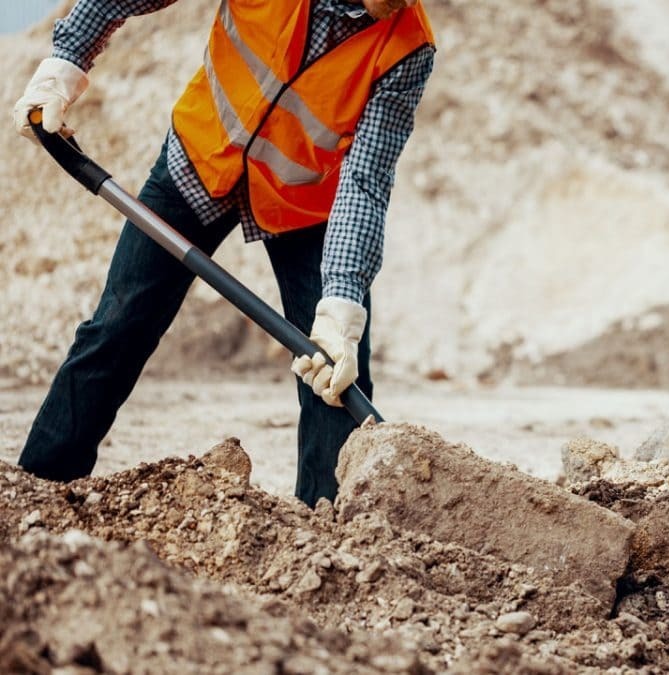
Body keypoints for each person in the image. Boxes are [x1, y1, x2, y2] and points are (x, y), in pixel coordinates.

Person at [11, 0, 435, 506]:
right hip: (198, 162)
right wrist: (65, 63)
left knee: (333, 373)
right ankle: (38, 494)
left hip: (300, 203)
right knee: (119, 325)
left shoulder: (409, 47)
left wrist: (342, 303)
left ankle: (327, 539)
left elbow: (365, 181)